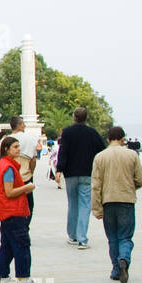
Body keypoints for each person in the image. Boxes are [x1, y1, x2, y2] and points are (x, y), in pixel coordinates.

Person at [91, 125, 142, 283]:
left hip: (108, 201)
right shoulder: (131, 155)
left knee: (112, 238)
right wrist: (130, 186)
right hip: (126, 200)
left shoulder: (100, 157)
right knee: (125, 236)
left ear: (108, 139)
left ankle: (116, 269)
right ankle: (124, 258)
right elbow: (141, 179)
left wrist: (96, 208)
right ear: (123, 139)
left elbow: (95, 185)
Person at [56, 107, 105, 250]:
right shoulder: (92, 133)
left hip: (70, 173)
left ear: (74, 117)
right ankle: (82, 239)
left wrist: (59, 170)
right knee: (85, 205)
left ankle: (72, 235)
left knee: (72, 204)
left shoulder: (67, 132)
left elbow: (63, 152)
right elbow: (101, 150)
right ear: (86, 118)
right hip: (87, 173)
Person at [0, 136, 35, 283]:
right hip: (13, 211)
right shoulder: (8, 167)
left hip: (5, 211)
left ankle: (2, 274)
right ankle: (23, 276)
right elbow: (9, 192)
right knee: (21, 244)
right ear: (6, 149)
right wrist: (26, 188)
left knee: (7, 244)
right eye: (15, 147)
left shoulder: (3, 164)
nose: (18, 149)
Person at [6, 116, 37, 222]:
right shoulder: (30, 139)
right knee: (29, 204)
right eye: (23, 123)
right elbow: (33, 159)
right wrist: (31, 172)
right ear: (19, 125)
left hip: (10, 178)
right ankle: (25, 226)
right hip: (26, 176)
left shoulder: (5, 140)